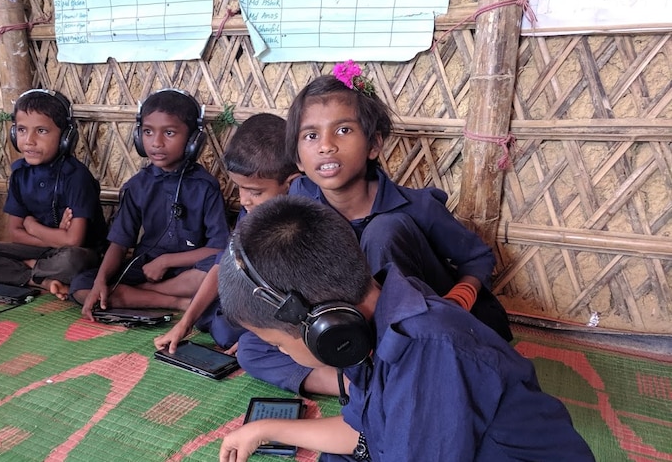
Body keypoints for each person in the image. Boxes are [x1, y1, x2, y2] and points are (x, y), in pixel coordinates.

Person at [217, 195, 595, 462]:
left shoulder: (430, 352)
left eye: (275, 342)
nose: (278, 351)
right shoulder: (373, 321)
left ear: (322, 324)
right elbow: (363, 432)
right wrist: (263, 429)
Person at [234, 65, 512, 396]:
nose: (326, 146)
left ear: (374, 145)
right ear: (296, 157)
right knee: (251, 348)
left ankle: (400, 370)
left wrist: (459, 299)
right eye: (311, 136)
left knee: (385, 231)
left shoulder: (416, 206)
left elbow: (478, 258)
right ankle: (363, 384)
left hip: (428, 325)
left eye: (343, 131)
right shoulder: (301, 201)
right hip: (358, 328)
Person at [71, 88, 229, 318]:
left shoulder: (206, 186)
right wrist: (101, 281)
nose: (156, 142)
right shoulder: (136, 186)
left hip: (188, 268)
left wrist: (167, 261)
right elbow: (119, 243)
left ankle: (141, 295)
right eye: (147, 132)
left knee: (216, 273)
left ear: (194, 140)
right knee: (82, 285)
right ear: (138, 136)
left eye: (170, 133)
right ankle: (178, 303)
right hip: (145, 266)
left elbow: (218, 248)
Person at [154, 113, 299, 353]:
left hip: (291, 311)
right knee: (215, 319)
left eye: (255, 192)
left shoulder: (305, 221)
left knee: (237, 338)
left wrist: (264, 336)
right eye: (240, 188)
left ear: (291, 184)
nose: (243, 200)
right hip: (258, 299)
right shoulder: (253, 212)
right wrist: (184, 323)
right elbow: (225, 264)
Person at [0, 89, 108, 299]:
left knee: (72, 261)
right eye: (21, 130)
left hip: (80, 253)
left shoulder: (76, 177)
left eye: (41, 131)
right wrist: (56, 237)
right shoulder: (20, 173)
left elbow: (74, 241)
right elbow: (14, 232)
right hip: (42, 249)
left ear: (66, 137)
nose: (29, 140)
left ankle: (25, 270)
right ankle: (40, 278)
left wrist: (32, 226)